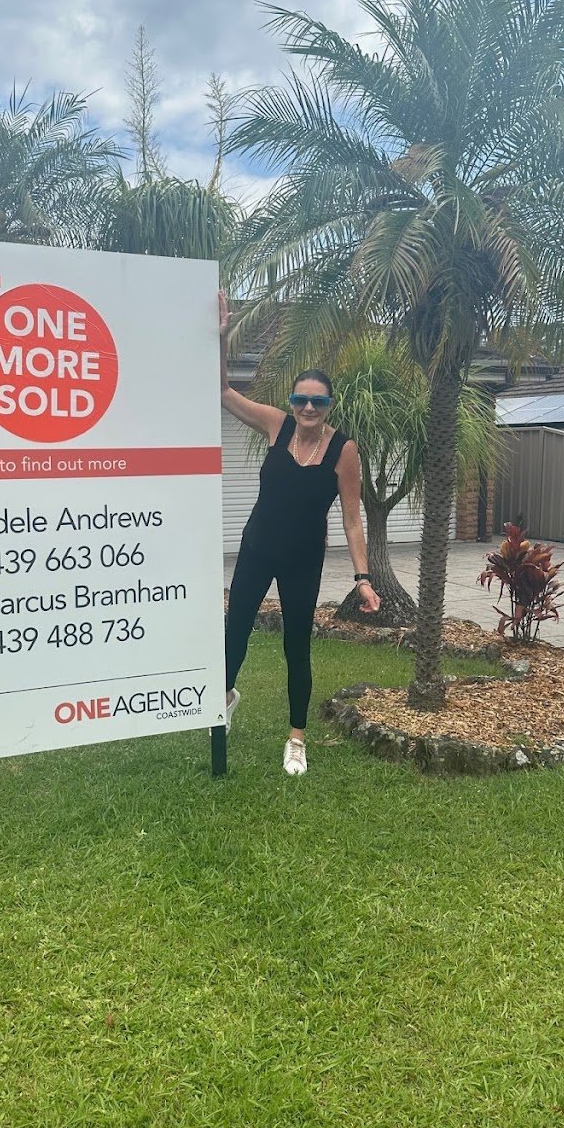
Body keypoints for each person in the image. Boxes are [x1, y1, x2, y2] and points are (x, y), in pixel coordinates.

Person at [220, 291, 381, 774]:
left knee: (296, 646)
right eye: (300, 399)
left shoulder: (344, 451)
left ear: (329, 404)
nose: (308, 407)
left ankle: (296, 738)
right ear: (291, 402)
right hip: (257, 548)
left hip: (303, 560)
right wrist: (223, 338)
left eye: (318, 400)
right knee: (235, 630)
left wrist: (362, 578)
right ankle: (224, 699)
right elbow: (222, 392)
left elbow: (352, 519)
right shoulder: (277, 425)